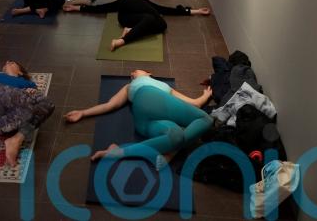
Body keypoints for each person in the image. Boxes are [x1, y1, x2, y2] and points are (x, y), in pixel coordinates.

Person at [64, 69, 213, 169]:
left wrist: (205, 96)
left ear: (148, 73)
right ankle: (171, 152)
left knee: (177, 135)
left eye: (135, 71)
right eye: (131, 74)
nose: (132, 74)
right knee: (205, 119)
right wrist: (83, 113)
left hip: (151, 122)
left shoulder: (163, 85)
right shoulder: (129, 87)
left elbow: (195, 103)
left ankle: (118, 152)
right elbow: (110, 104)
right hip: (145, 104)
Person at [64, 0, 211, 51]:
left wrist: (195, 11)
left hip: (134, 17)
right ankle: (122, 40)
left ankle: (127, 32)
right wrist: (78, 8)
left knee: (154, 20)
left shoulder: (143, 4)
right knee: (159, 23)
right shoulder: (126, 0)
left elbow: (163, 9)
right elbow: (104, 7)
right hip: (125, 17)